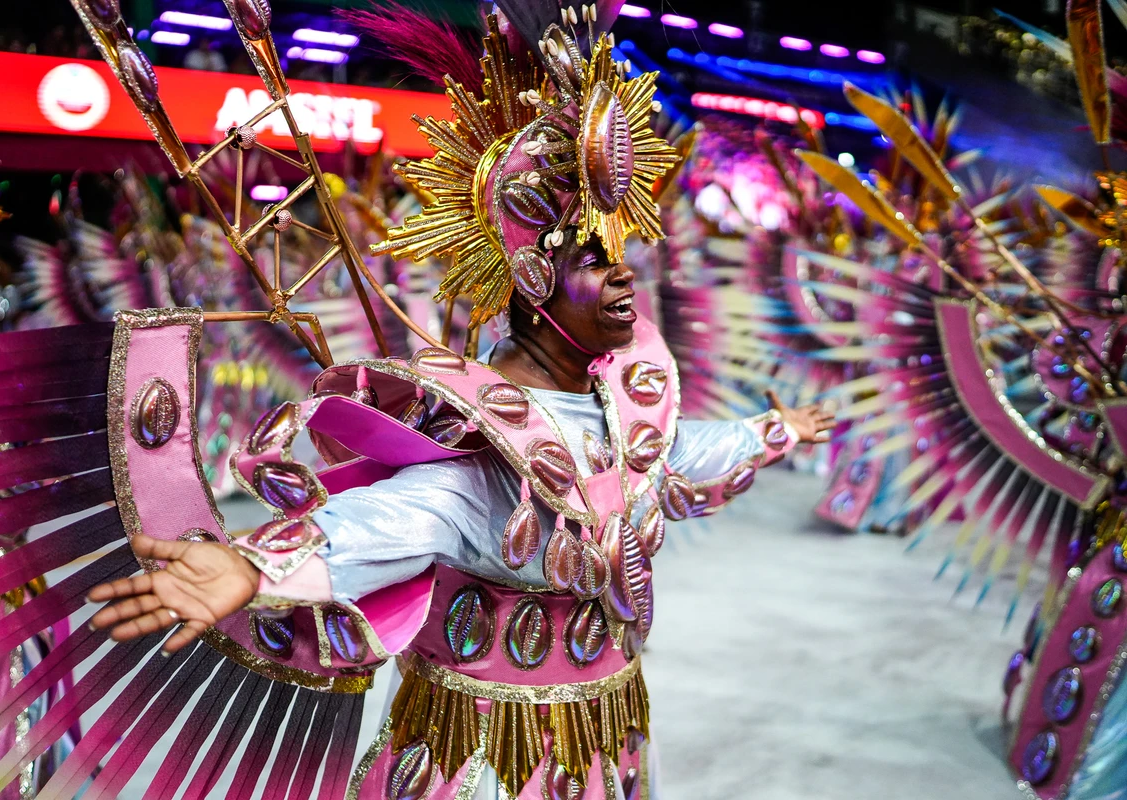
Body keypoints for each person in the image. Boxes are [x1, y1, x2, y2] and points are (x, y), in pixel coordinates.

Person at [83, 5, 836, 796]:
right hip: (485, 751)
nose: (623, 275)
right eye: (591, 259)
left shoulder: (624, 402)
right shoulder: (485, 443)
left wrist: (772, 431)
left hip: (607, 733)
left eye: (619, 254)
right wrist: (253, 562)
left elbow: (679, 454)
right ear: (534, 282)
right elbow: (398, 515)